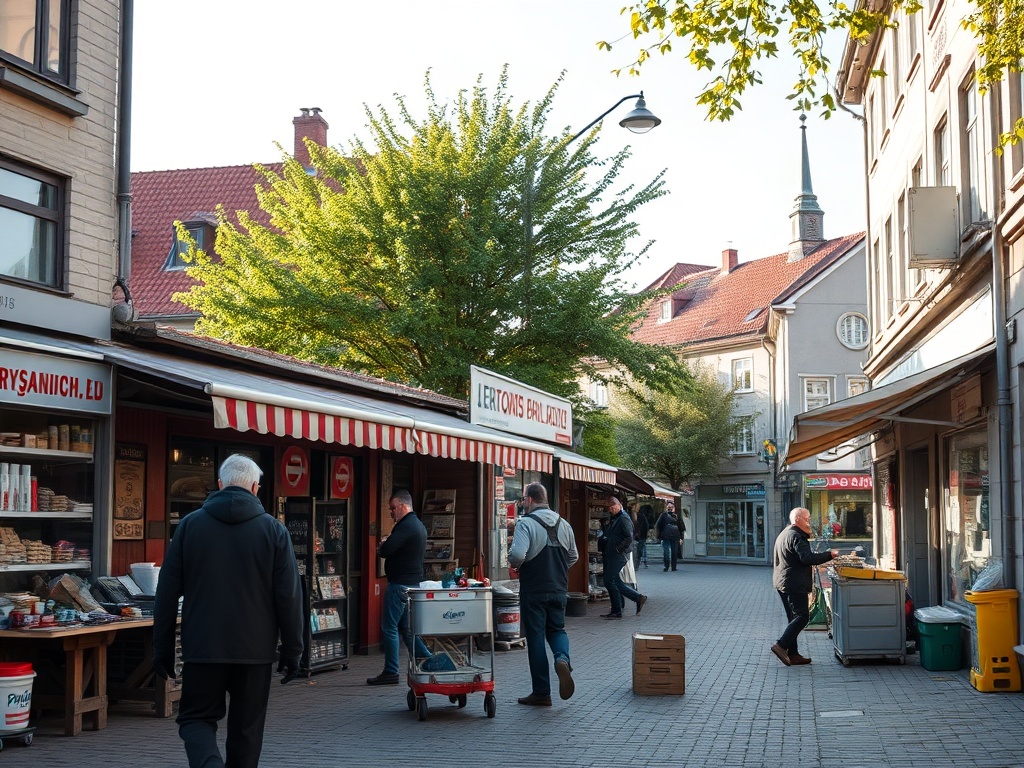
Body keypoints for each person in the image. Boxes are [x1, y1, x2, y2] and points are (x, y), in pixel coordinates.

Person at [153, 454, 303, 768]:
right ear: (255, 487)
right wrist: (293, 650)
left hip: (202, 646)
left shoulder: (190, 526)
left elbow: (166, 593)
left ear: (220, 485)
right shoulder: (274, 532)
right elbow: (289, 597)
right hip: (255, 650)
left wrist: (162, 647)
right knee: (246, 731)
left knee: (195, 719)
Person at [508, 483, 579, 706]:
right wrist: (557, 570)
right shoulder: (564, 524)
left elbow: (517, 554)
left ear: (529, 500)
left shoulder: (525, 524)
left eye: (523, 499)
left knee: (536, 638)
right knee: (557, 630)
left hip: (534, 589)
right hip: (558, 587)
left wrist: (516, 563)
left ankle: (541, 692)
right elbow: (574, 556)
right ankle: (562, 659)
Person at [368, 489, 433, 685]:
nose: (391, 512)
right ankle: (429, 660)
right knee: (406, 628)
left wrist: (383, 544)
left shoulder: (405, 526)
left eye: (393, 508)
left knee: (389, 627)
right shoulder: (418, 525)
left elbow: (386, 550)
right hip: (411, 583)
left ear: (403, 506)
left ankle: (390, 671)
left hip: (399, 585)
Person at [771, 507, 838, 666]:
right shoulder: (797, 536)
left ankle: (793, 654)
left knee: (793, 618)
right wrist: (830, 555)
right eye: (806, 519)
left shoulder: (786, 533)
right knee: (802, 617)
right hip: (794, 583)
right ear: (797, 519)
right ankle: (781, 645)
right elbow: (807, 558)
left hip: (783, 582)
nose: (809, 522)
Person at [601, 496, 648, 618]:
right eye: (609, 508)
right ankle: (635, 599)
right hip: (613, 553)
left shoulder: (624, 518)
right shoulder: (616, 518)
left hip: (618, 555)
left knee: (608, 580)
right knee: (615, 581)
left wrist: (618, 549)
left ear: (618, 505)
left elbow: (629, 537)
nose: (610, 509)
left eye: (612, 507)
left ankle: (619, 609)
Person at [656, 503, 682, 571]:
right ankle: (673, 567)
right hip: (673, 536)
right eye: (669, 507)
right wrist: (681, 537)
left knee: (667, 551)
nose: (670, 508)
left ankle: (667, 566)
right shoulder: (676, 516)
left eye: (671, 507)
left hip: (667, 536)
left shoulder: (663, 515)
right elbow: (681, 527)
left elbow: (658, 526)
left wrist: (659, 536)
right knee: (673, 551)